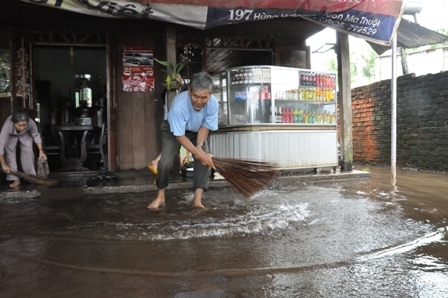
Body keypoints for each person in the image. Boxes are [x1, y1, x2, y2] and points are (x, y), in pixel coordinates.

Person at [147, 72, 218, 209]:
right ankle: (160, 195)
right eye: (195, 96)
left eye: (204, 97)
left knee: (203, 163)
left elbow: (205, 126)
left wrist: (199, 146)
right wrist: (200, 154)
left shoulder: (213, 103)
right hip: (174, 131)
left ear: (210, 94)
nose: (199, 101)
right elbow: (179, 136)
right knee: (165, 162)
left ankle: (197, 200)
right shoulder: (179, 105)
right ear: (189, 91)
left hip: (197, 130)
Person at [0, 110, 47, 188]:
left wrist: (41, 151)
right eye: (19, 125)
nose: (22, 128)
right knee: (10, 155)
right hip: (11, 136)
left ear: (28, 122)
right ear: (13, 123)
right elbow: (0, 144)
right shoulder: (7, 125)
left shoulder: (31, 123)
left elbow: (36, 136)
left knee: (28, 151)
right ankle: (15, 179)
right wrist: (4, 164)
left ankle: (31, 177)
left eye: (24, 125)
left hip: (25, 135)